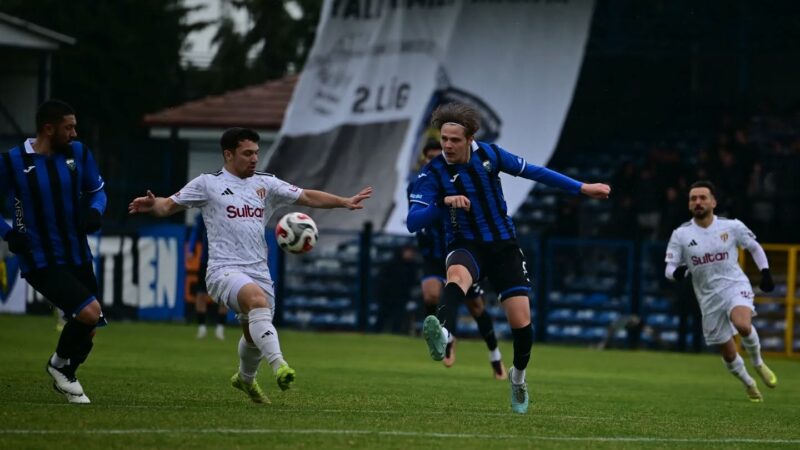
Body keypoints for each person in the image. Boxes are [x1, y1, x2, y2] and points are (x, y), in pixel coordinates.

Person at [129, 127, 372, 404]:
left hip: (258, 270)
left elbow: (306, 197)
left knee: (253, 332)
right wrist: (154, 203)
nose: (255, 158)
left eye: (256, 152)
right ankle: (280, 366)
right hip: (223, 270)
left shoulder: (265, 184)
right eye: (247, 153)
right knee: (257, 302)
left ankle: (244, 378)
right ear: (228, 154)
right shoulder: (208, 184)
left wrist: (343, 202)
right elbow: (168, 206)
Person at [407, 103, 610, 414]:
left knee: (521, 324)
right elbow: (413, 221)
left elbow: (536, 172)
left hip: (503, 246)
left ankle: (518, 377)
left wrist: (582, 187)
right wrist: (442, 202)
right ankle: (443, 334)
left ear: (471, 138)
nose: (447, 145)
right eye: (444, 139)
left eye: (454, 140)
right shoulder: (432, 173)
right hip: (465, 244)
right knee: (456, 277)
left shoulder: (491, 155)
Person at [0, 99, 107, 404]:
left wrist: (95, 211)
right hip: (39, 258)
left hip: (77, 253)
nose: (74, 133)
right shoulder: (11, 162)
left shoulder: (78, 153)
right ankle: (60, 368)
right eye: (68, 127)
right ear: (48, 128)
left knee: (90, 325)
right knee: (88, 313)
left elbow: (97, 191)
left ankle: (64, 368)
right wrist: (9, 234)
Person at [665, 180, 777, 402]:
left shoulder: (732, 226)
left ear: (713, 202)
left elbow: (754, 247)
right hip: (707, 298)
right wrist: (677, 273)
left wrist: (765, 272)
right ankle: (749, 383)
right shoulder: (681, 234)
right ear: (689, 205)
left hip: (735, 285)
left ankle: (758, 363)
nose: (698, 202)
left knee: (743, 324)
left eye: (702, 197)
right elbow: (669, 267)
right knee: (728, 352)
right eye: (693, 199)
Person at [408, 140, 507, 380]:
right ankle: (445, 336)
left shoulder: (458, 181)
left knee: (476, 307)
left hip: (459, 250)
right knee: (431, 294)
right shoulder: (418, 184)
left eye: (437, 156)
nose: (434, 160)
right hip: (433, 252)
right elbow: (415, 217)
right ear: (424, 160)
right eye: (429, 157)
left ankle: (495, 355)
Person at [187, 213, 228, 340]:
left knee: (224, 296)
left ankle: (220, 328)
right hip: (206, 261)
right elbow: (196, 232)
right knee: (201, 294)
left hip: (224, 261)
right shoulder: (203, 214)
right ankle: (202, 328)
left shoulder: (228, 212)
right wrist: (191, 248)